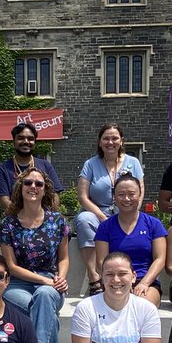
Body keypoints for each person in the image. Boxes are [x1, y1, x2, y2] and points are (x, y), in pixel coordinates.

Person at [0, 168, 70, 343]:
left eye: (38, 183)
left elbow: (64, 258)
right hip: (18, 284)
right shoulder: (8, 223)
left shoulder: (57, 221)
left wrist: (60, 277)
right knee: (44, 308)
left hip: (50, 286)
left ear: (45, 189)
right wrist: (44, 279)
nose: (33, 186)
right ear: (20, 187)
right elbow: (11, 267)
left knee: (44, 298)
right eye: (28, 182)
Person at [74, 123, 144, 294]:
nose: (110, 142)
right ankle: (94, 276)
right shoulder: (90, 164)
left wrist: (130, 213)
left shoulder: (133, 162)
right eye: (106, 138)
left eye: (115, 138)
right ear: (99, 142)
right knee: (84, 220)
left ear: (121, 141)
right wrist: (102, 217)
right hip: (97, 212)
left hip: (125, 211)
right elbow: (83, 196)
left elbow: (140, 192)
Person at [93, 173, 167, 307]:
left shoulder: (154, 224)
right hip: (115, 281)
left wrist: (144, 283)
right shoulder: (105, 227)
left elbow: (160, 258)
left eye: (131, 194)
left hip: (146, 282)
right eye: (121, 194)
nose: (126, 199)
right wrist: (119, 282)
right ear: (114, 197)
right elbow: (101, 261)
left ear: (139, 195)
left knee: (142, 306)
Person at [0, 121, 64, 214]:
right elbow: (4, 202)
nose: (26, 142)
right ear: (14, 141)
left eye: (30, 139)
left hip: (44, 220)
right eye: (21, 138)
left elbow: (54, 197)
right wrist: (26, 218)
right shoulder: (2, 169)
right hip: (16, 221)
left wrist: (45, 218)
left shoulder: (46, 166)